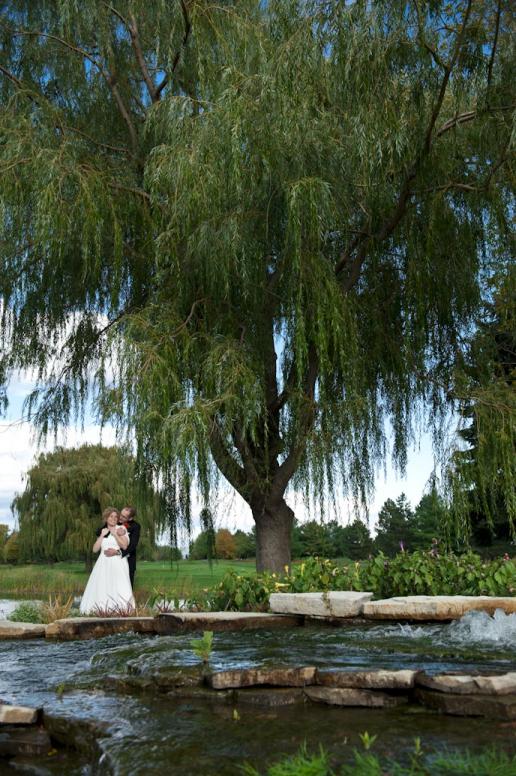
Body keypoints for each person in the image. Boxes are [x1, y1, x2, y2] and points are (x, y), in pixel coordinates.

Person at [80, 507, 135, 614]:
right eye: (111, 516)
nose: (113, 519)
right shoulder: (103, 531)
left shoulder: (121, 530)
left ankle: (122, 610)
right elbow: (95, 549)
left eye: (115, 517)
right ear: (106, 518)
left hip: (118, 563)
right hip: (103, 564)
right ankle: (101, 610)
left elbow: (124, 546)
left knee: (119, 585)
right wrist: (101, 536)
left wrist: (115, 534)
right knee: (102, 586)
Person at [104, 505, 141, 587]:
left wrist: (118, 552)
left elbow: (133, 546)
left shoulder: (135, 527)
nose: (119, 517)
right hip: (111, 562)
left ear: (130, 518)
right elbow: (100, 532)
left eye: (123, 517)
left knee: (127, 588)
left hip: (128, 561)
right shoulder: (113, 522)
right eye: (120, 514)